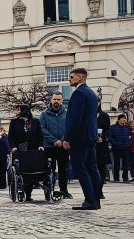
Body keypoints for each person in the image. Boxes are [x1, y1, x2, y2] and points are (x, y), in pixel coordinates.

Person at [63, 67, 102, 210]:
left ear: (81, 77)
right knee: (92, 168)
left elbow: (75, 119)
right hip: (91, 136)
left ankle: (90, 200)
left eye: (72, 77)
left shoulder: (78, 93)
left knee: (80, 168)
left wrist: (68, 138)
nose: (69, 79)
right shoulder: (91, 93)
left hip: (80, 138)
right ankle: (96, 200)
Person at [8, 104, 45, 201]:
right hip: (20, 150)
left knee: (32, 169)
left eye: (17, 110)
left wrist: (41, 145)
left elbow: (40, 135)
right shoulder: (14, 122)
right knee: (22, 170)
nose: (15, 112)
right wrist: (13, 147)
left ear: (23, 110)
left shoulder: (35, 121)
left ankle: (28, 194)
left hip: (33, 149)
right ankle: (23, 191)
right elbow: (10, 137)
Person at [39, 92, 72, 198]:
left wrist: (62, 140)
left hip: (63, 146)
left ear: (62, 101)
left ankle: (64, 191)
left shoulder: (66, 113)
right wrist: (54, 140)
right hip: (49, 146)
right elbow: (43, 129)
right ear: (51, 100)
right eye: (54, 99)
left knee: (63, 170)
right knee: (49, 170)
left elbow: (69, 128)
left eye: (58, 99)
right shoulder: (44, 114)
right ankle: (49, 190)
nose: (56, 101)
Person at [96, 101, 111, 198]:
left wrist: (103, 137)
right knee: (92, 168)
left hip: (102, 146)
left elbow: (108, 129)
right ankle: (93, 189)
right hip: (91, 145)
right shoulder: (87, 114)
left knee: (102, 169)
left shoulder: (105, 115)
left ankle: (99, 190)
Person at [110, 114, 132, 182]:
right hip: (116, 149)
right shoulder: (113, 127)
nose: (124, 120)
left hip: (125, 149)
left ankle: (125, 178)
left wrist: (128, 144)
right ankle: (116, 178)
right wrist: (115, 143)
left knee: (125, 165)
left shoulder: (128, 128)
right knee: (116, 164)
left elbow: (130, 137)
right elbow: (110, 137)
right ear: (118, 119)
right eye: (122, 118)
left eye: (125, 118)